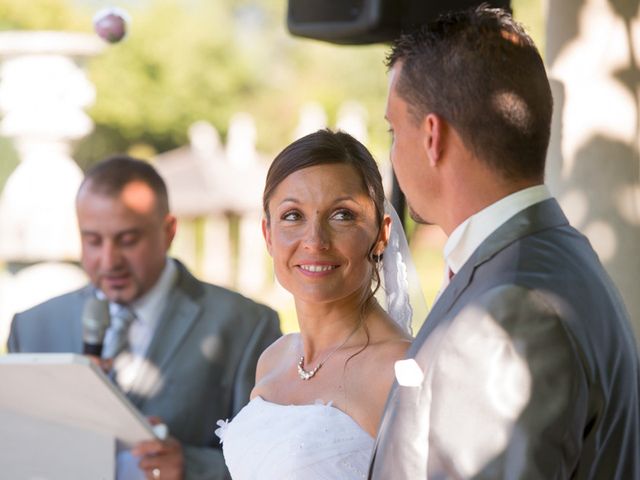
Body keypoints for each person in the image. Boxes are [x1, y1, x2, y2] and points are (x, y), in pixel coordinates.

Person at [370, 5, 640, 479]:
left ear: (432, 136)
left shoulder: (506, 313)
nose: (391, 152)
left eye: (394, 131)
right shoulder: (560, 253)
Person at [8, 155, 282, 480]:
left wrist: (192, 468)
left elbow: (274, 463)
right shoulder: (32, 328)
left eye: (127, 240)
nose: (109, 261)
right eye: (93, 240)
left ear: (168, 231)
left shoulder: (246, 325)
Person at [216, 129, 414, 479]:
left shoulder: (401, 369)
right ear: (268, 234)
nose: (315, 241)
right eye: (293, 216)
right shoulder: (274, 359)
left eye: (342, 215)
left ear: (381, 234)